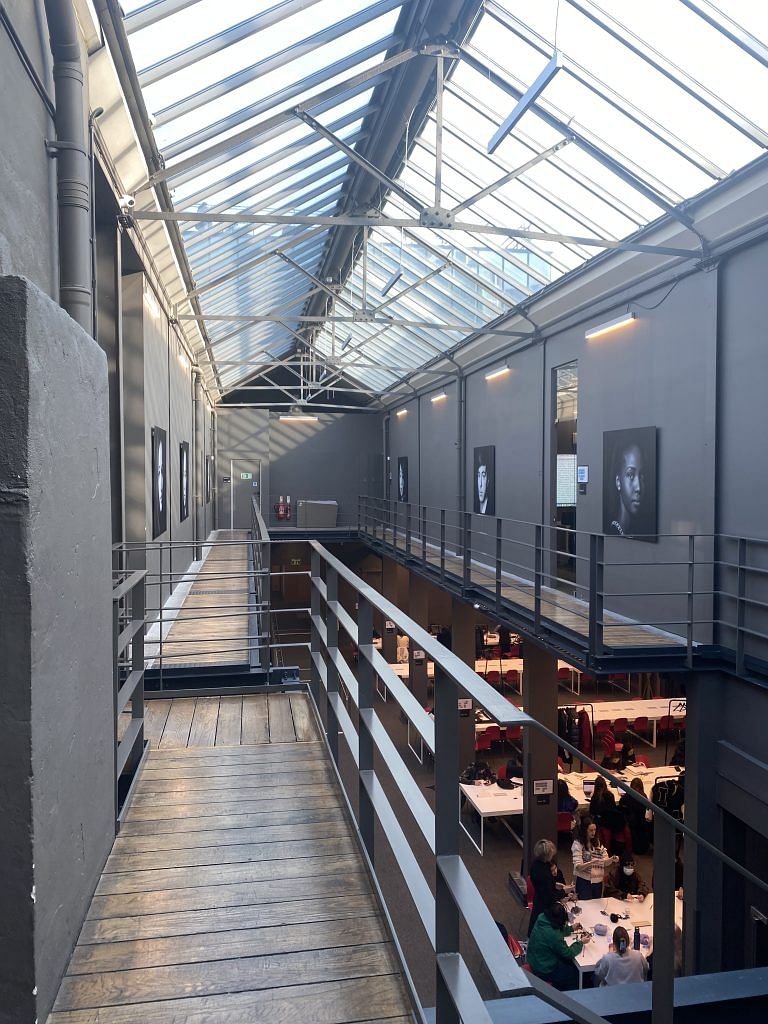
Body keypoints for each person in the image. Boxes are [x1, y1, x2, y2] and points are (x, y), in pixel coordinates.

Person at [527, 901, 588, 991]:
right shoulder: (553, 934)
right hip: (544, 968)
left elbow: (554, 927)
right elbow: (568, 953)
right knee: (575, 975)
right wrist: (581, 942)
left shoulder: (542, 918)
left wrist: (571, 928)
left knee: (567, 965)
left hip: (534, 959)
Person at [528, 839, 575, 935]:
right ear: (547, 855)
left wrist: (554, 884)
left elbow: (544, 886)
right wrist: (564, 891)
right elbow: (549, 897)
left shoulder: (537, 864)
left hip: (540, 899)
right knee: (543, 930)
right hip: (544, 906)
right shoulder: (543, 872)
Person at [571, 816, 617, 900]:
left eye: (595, 830)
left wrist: (612, 859)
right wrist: (591, 863)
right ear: (584, 830)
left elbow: (605, 862)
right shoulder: (577, 844)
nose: (593, 833)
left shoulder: (597, 842)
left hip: (598, 881)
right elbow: (578, 866)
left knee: (596, 905)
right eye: (591, 830)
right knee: (585, 906)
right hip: (584, 881)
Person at [609, 442, 644, 537]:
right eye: (630, 475)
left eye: (641, 476)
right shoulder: (613, 531)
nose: (638, 488)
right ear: (618, 482)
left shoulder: (634, 531)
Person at [619, 778, 653, 854]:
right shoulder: (644, 796)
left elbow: (621, 803)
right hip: (642, 822)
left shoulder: (628, 796)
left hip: (632, 822)